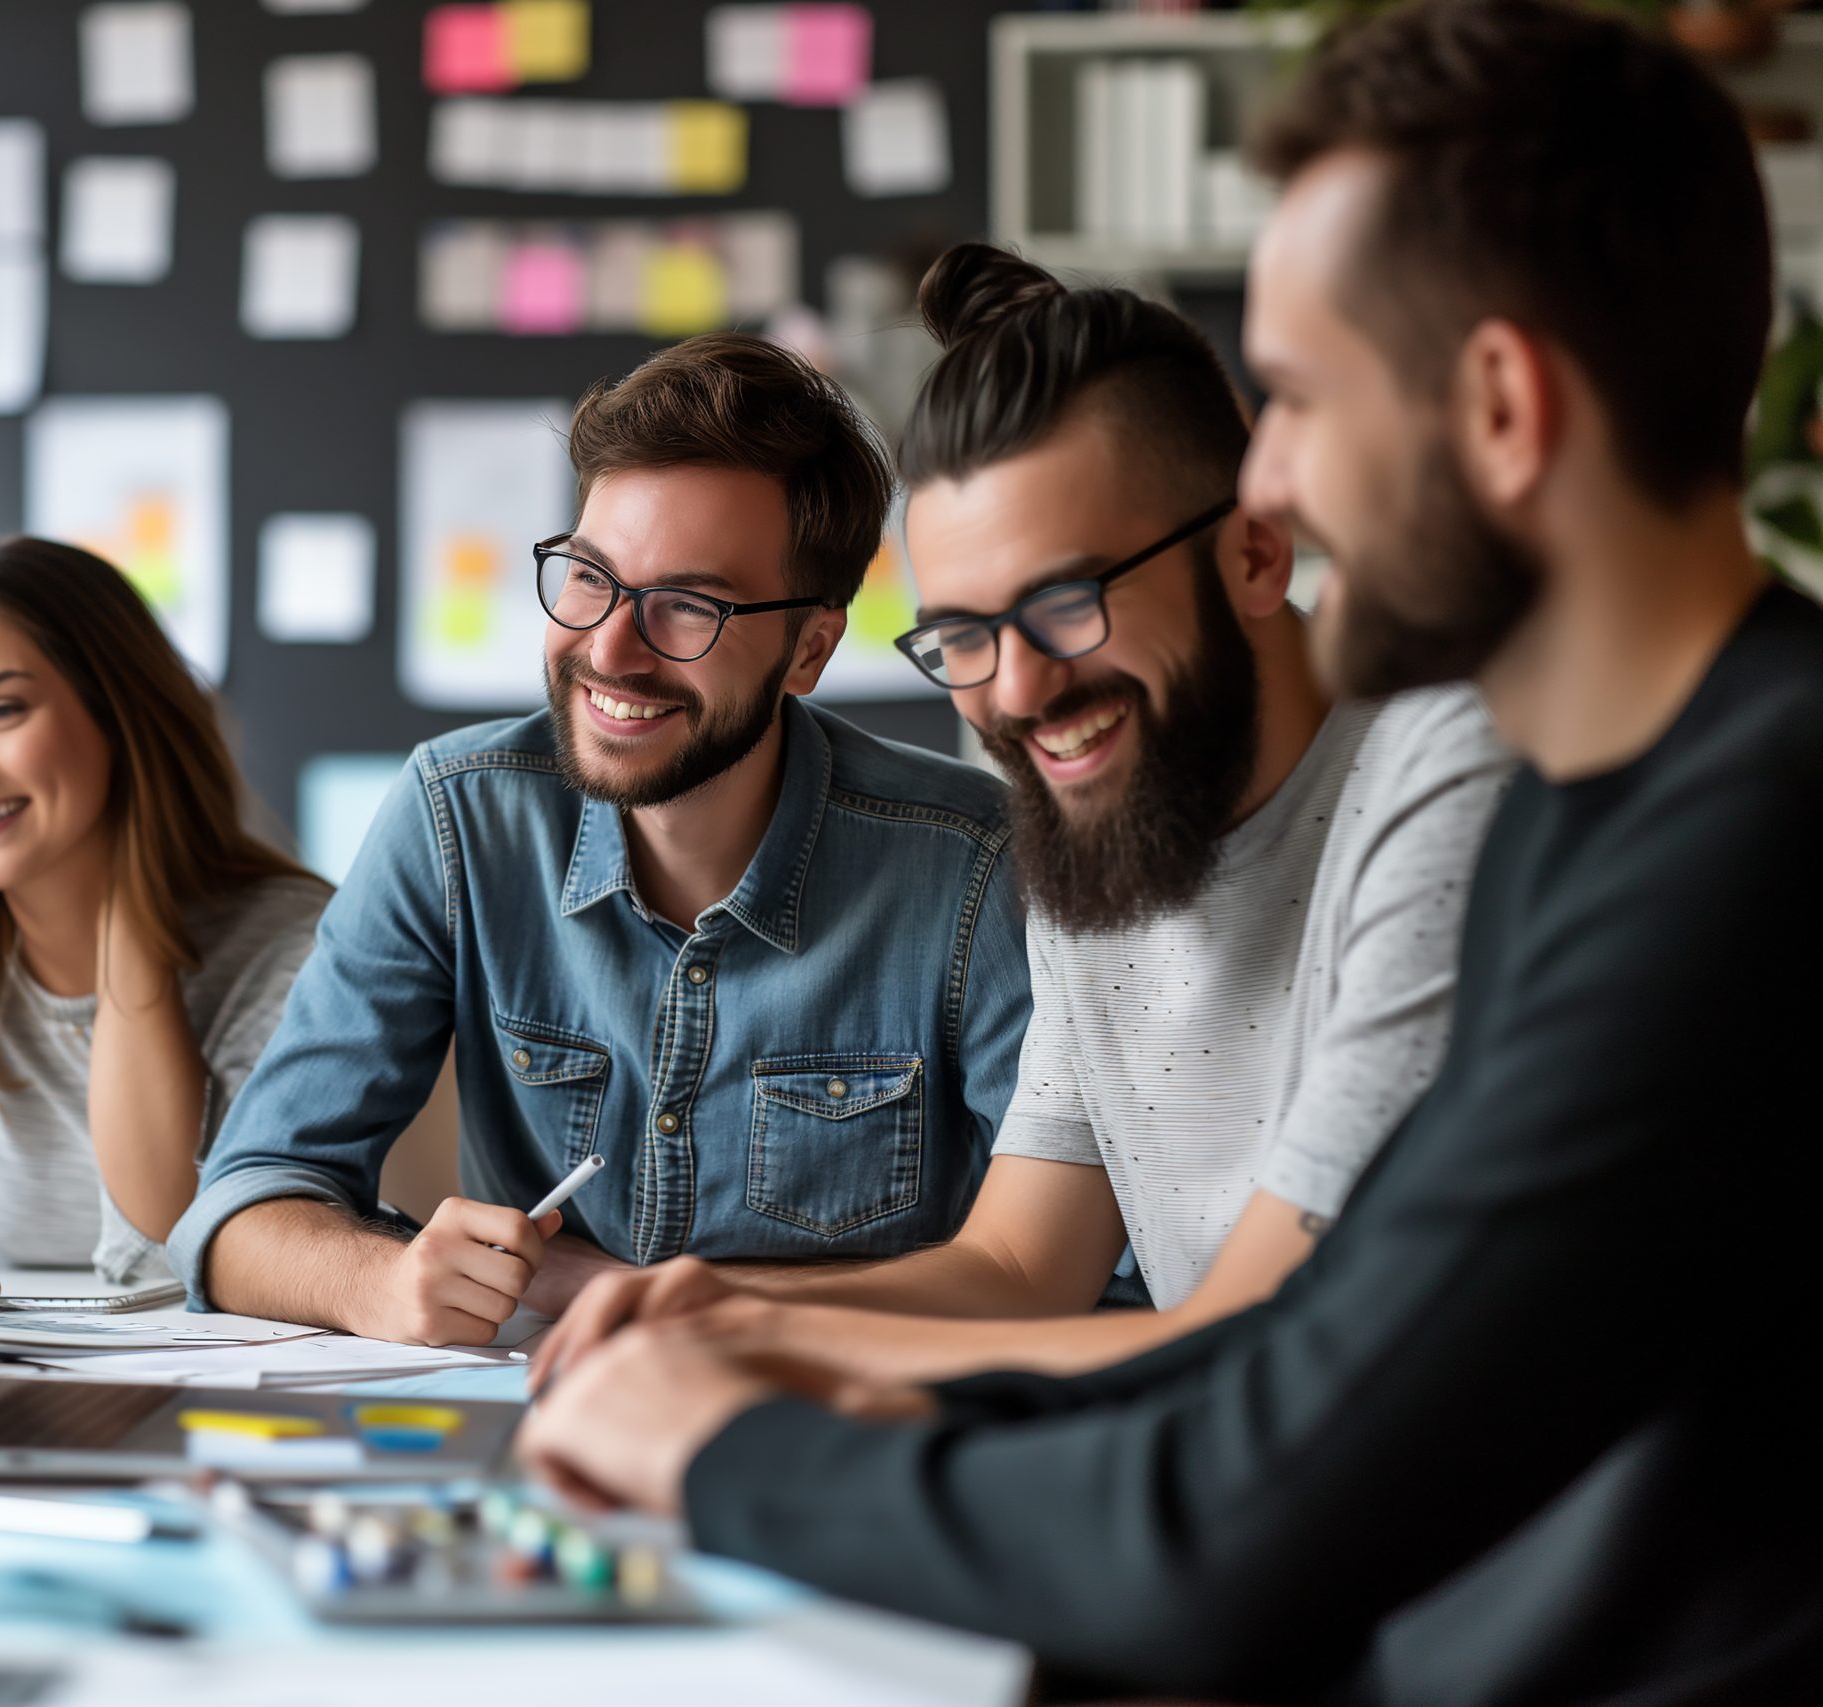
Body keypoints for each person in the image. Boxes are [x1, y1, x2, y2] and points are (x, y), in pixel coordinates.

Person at [517, 2, 1823, 1698]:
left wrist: (725, 1443)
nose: (1266, 476)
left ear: (1498, 406)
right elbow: (1309, 1376)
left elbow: (1240, 1499)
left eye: (1290, 394)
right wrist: (764, 1353)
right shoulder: (1621, 809)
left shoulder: (1736, 844)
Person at [529, 246, 1511, 1392]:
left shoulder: (1442, 776)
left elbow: (1279, 1333)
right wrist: (702, 1306)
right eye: (961, 636)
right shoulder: (1110, 820)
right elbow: (1016, 1265)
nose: (1015, 695)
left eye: (1063, 606)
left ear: (1254, 549)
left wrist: (768, 1342)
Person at [168, 333, 1033, 1345]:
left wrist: (629, 1298)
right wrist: (382, 1281)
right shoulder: (457, 817)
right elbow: (240, 1210)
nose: (610, 649)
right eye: (588, 577)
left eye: (687, 607)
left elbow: (1068, 1265)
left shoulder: (975, 864)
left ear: (807, 649)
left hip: (842, 1424)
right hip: (534, 1424)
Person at [0, 535, 327, 1304]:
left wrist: (131, 917)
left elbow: (167, 1248)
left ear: (121, 717)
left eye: (0, 710)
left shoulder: (293, 953)